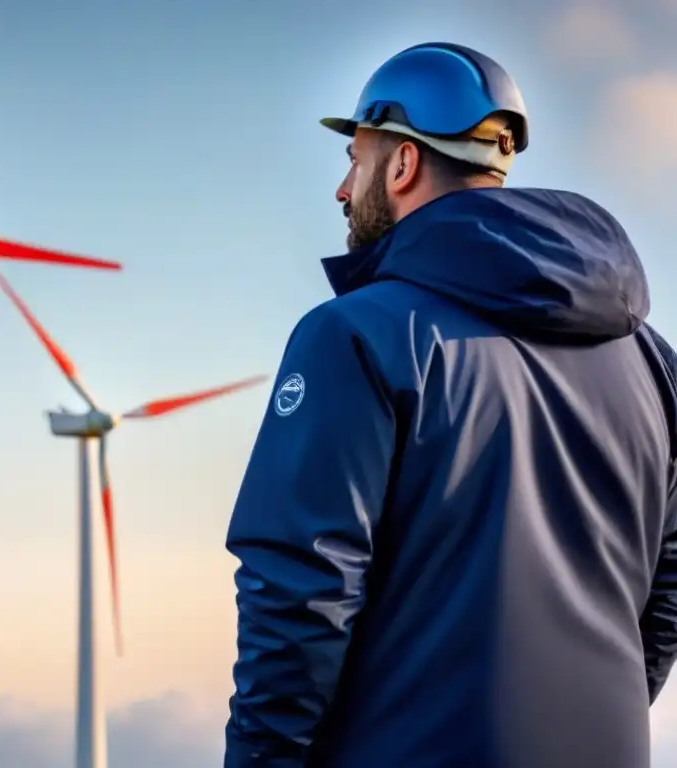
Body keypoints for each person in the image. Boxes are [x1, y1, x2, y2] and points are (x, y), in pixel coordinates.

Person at [224, 42, 677, 767]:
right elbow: (667, 588)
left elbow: (301, 591)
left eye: (357, 160)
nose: (344, 189)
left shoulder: (354, 336)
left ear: (401, 165)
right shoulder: (654, 360)